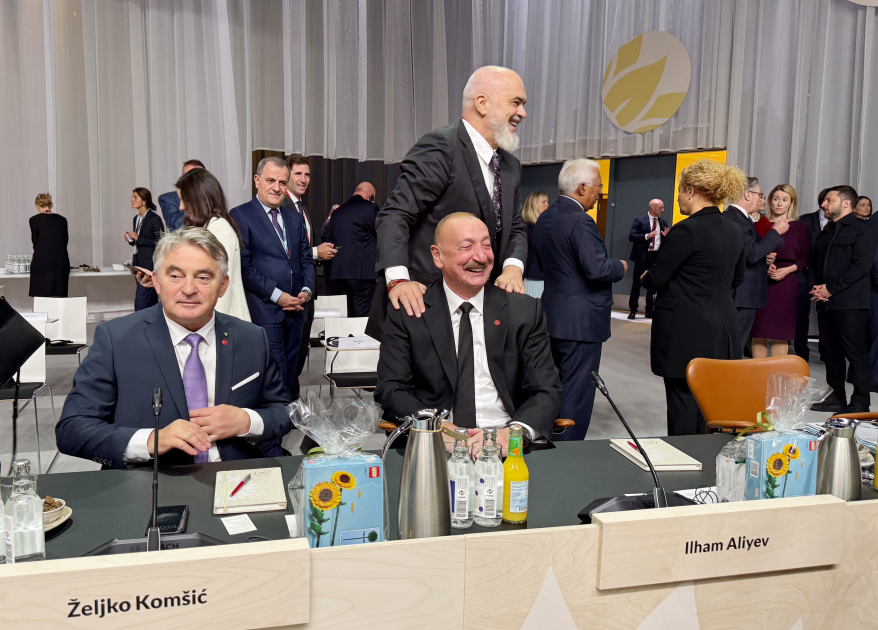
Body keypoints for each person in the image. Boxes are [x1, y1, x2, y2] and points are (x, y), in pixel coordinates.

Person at [56, 227, 292, 468]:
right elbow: (72, 429)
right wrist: (150, 440)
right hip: (152, 478)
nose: (188, 289)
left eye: (203, 277)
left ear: (223, 286)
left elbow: (285, 411)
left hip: (236, 477)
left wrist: (246, 421)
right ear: (156, 281)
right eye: (176, 276)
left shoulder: (251, 338)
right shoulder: (116, 340)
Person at [375, 213, 561, 455]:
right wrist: (434, 426)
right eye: (467, 247)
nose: (481, 257)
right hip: (434, 448)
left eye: (486, 245)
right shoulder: (410, 311)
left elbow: (545, 390)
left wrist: (514, 434)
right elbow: (391, 389)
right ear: (437, 256)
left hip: (508, 446)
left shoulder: (524, 311)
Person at [369, 65, 529, 340]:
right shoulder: (441, 147)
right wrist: (398, 280)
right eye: (516, 102)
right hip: (422, 310)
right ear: (482, 103)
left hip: (480, 310)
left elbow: (514, 226)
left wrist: (513, 267)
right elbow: (395, 214)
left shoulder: (510, 165)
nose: (523, 113)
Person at [644, 160, 745, 435]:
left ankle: (683, 459)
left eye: (679, 191)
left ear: (690, 191)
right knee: (711, 406)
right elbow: (737, 278)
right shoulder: (735, 230)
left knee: (683, 406)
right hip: (722, 328)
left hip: (686, 330)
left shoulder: (686, 230)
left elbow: (657, 277)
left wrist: (645, 276)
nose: (677, 198)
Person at [532, 159, 626, 440]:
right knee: (577, 393)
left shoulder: (545, 217)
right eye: (599, 186)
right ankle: (568, 453)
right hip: (581, 323)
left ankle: (548, 444)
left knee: (554, 388)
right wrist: (620, 266)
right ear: (582, 187)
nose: (601, 192)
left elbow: (544, 265)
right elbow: (597, 269)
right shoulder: (581, 220)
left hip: (552, 316)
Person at [230, 157, 315, 400]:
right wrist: (278, 296)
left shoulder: (293, 217)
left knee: (291, 375)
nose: (277, 188)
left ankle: (285, 417)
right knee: (273, 376)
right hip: (266, 311)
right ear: (257, 180)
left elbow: (305, 258)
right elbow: (244, 266)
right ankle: (275, 422)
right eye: (270, 181)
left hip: (297, 310)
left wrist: (306, 291)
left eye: (282, 182)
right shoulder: (240, 215)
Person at [135, 169, 251, 322]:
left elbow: (218, 289)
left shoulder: (219, 229)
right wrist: (161, 282)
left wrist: (211, 329)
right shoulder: (211, 227)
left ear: (199, 198)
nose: (181, 207)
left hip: (223, 324)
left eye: (184, 199)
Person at [809, 186, 878, 413]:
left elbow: (860, 266)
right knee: (830, 352)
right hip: (825, 303)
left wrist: (831, 289)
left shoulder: (863, 230)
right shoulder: (827, 230)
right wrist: (817, 289)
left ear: (846, 203)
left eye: (829, 200)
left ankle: (860, 402)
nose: (823, 204)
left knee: (855, 353)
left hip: (850, 304)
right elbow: (815, 263)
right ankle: (836, 396)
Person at [281, 154, 337, 398]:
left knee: (299, 353)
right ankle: (285, 405)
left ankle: (291, 402)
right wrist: (316, 252)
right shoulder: (282, 205)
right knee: (289, 357)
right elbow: (286, 250)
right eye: (298, 174)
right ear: (287, 176)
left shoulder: (300, 207)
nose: (303, 179)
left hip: (306, 291)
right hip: (290, 293)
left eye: (307, 175)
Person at [722, 176, 788, 347]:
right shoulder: (738, 219)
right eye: (759, 194)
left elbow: (743, 252)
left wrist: (764, 257)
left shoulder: (733, 217)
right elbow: (751, 254)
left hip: (738, 292)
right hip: (742, 293)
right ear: (747, 195)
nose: (761, 199)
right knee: (734, 345)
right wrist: (775, 232)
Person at [750, 185, 811, 358]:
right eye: (776, 199)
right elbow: (752, 252)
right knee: (759, 331)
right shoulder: (760, 225)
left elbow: (806, 258)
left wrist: (787, 270)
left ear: (791, 203)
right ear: (770, 201)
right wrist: (765, 265)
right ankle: (757, 371)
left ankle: (778, 373)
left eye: (784, 200)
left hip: (787, 282)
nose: (779, 203)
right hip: (762, 280)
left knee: (781, 332)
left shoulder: (800, 227)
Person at [326, 182, 379, 317]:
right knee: (363, 316)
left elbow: (328, 239)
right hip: (362, 274)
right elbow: (380, 234)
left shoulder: (337, 212)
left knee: (346, 316)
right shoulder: (370, 208)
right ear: (371, 196)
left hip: (339, 273)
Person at [795, 188, 832, 361]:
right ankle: (802, 352)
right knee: (802, 315)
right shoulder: (805, 220)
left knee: (827, 316)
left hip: (828, 276)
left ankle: (826, 352)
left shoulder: (839, 222)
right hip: (804, 274)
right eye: (825, 200)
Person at [627, 199, 669, 319]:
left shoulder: (663, 222)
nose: (663, 210)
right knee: (637, 284)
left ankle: (649, 310)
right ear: (652, 207)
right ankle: (633, 310)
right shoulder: (640, 220)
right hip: (642, 257)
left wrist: (666, 237)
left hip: (655, 257)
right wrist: (647, 236)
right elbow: (632, 236)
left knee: (652, 285)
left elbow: (663, 241)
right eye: (660, 207)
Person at [127, 187, 163, 311]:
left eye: (135, 197)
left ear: (144, 201)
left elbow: (160, 242)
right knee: (150, 301)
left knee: (141, 303)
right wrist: (131, 240)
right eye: (132, 197)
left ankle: (140, 322)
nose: (132, 200)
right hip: (138, 264)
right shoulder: (136, 219)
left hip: (149, 265)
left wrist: (139, 238)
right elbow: (140, 243)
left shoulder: (154, 219)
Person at [28, 193, 70, 298]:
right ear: (51, 205)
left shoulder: (34, 220)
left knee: (41, 298)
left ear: (37, 206)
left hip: (41, 261)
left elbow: (35, 242)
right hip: (60, 261)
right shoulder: (62, 220)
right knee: (59, 296)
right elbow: (64, 241)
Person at [158, 159, 205, 231]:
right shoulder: (168, 199)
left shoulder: (212, 197)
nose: (192, 179)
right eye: (188, 175)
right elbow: (176, 227)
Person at [522, 191, 549, 298]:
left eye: (547, 202)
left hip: (537, 279)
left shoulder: (531, 228)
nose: (547, 205)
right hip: (535, 280)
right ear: (534, 205)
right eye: (543, 202)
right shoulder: (531, 229)